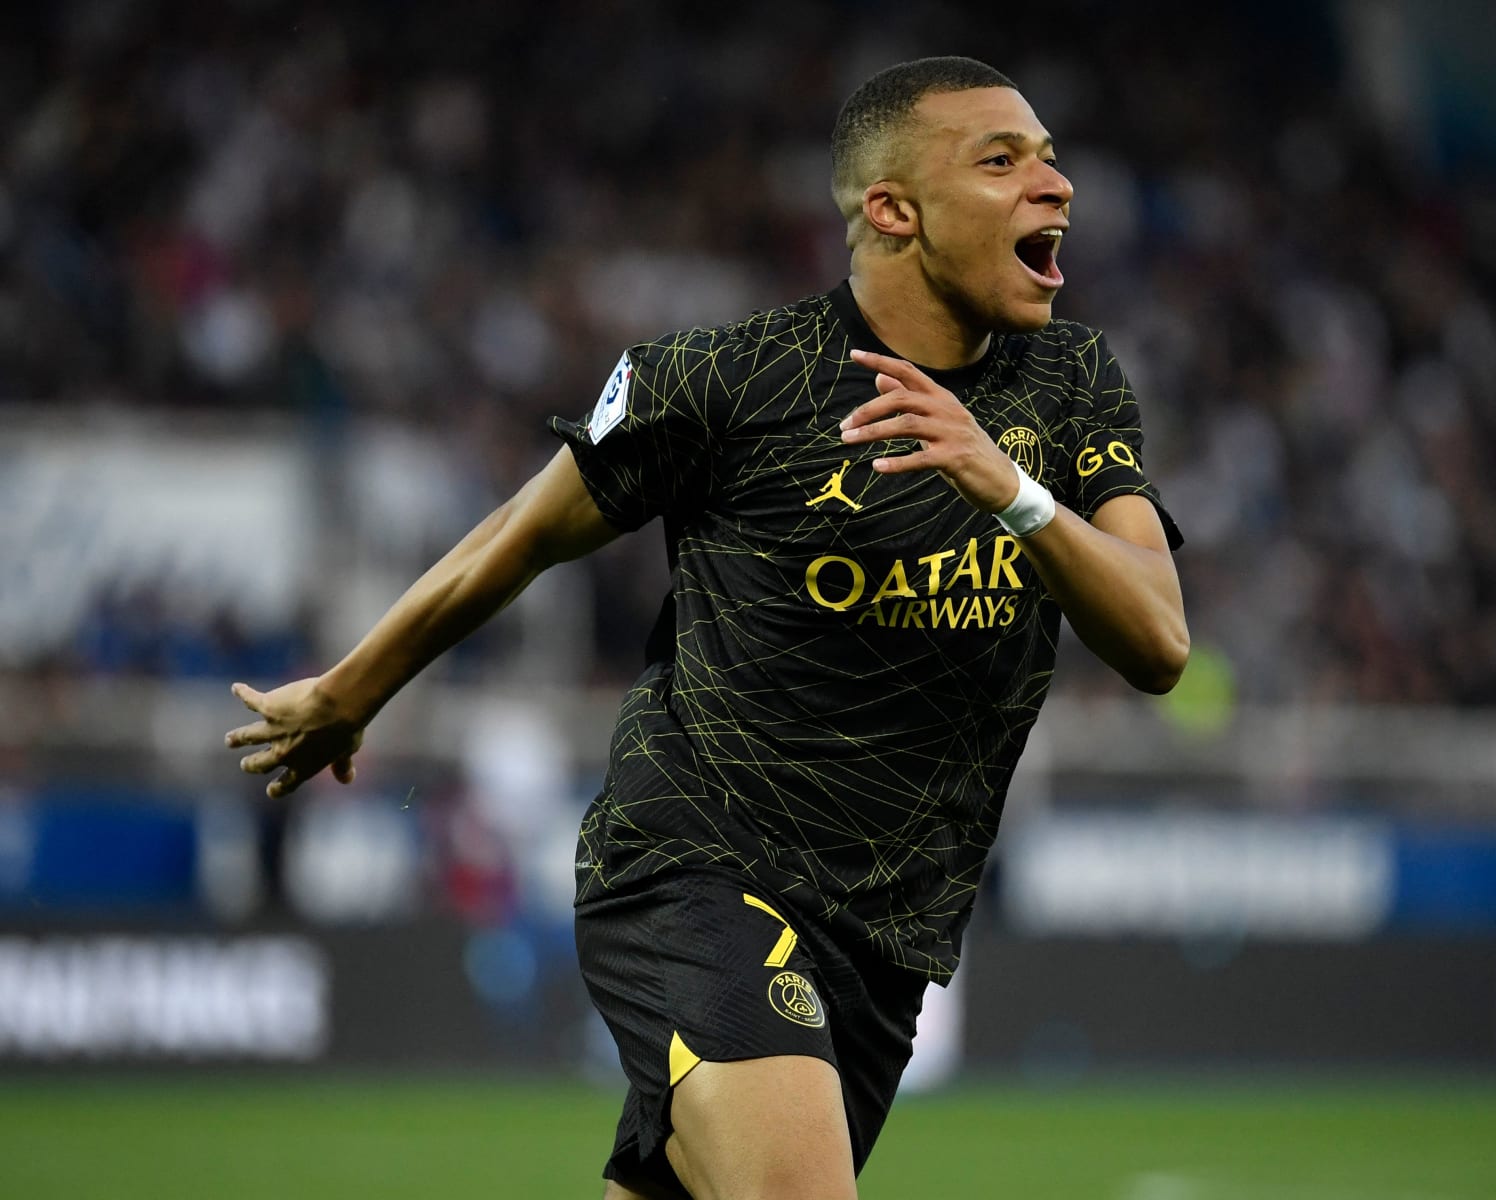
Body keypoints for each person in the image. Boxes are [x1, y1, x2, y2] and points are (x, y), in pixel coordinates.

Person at [225, 56, 1186, 1200]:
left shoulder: (1072, 384)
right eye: (1003, 160)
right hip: (696, 864)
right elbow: (517, 536)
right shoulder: (730, 380)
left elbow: (1158, 641)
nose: (1056, 184)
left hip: (886, 939)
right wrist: (352, 689)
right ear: (893, 210)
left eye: (1051, 157)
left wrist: (1011, 491)